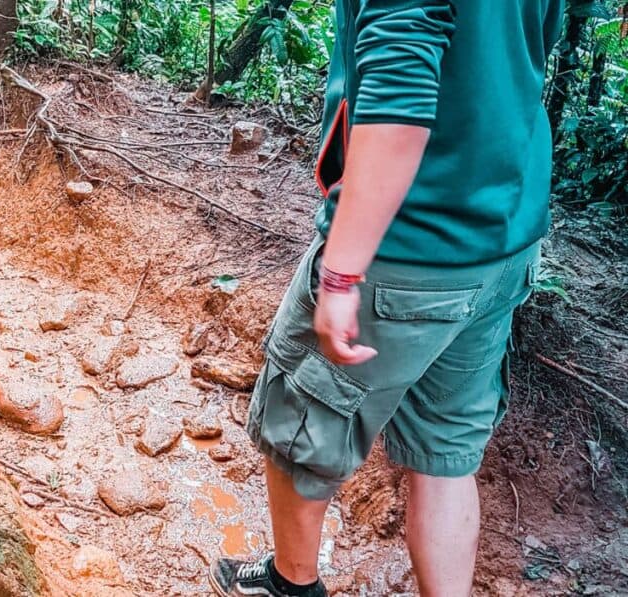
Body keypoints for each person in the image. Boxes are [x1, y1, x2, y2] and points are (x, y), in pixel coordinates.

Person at [210, 1, 565, 596]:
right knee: (446, 450)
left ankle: (288, 585)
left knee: (301, 420)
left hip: (409, 243)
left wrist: (343, 272)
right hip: (505, 234)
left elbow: (400, 83)